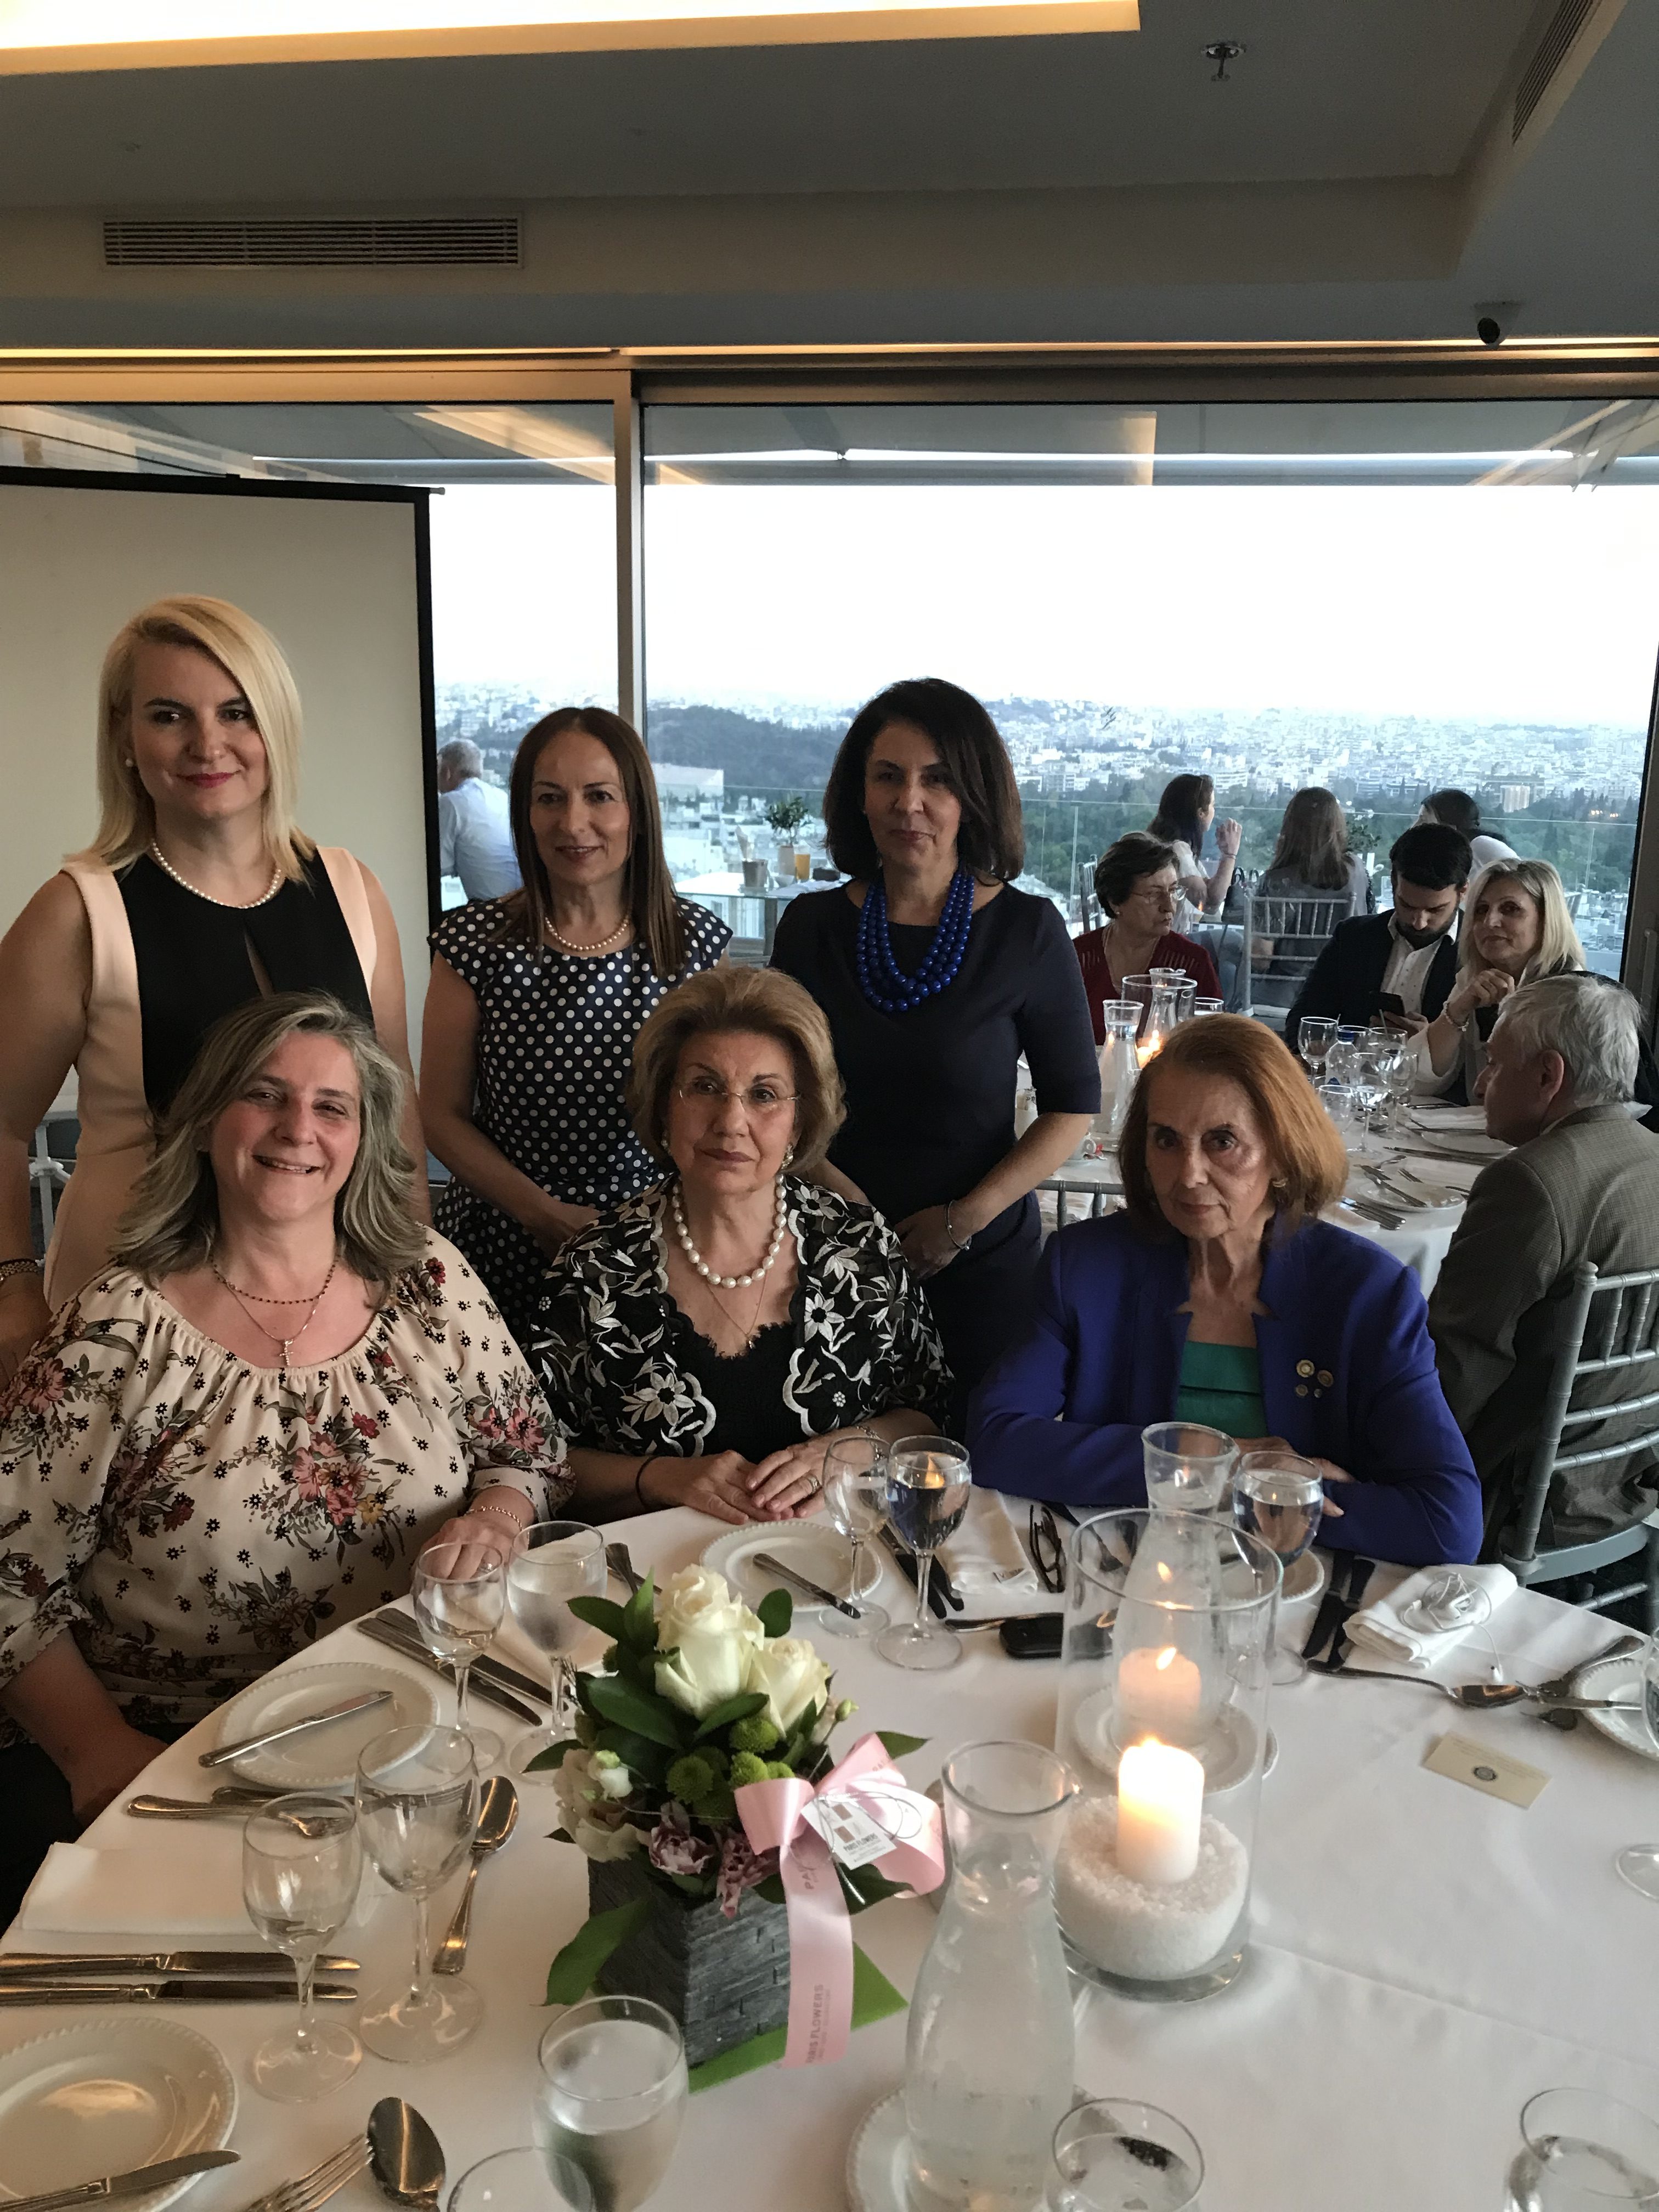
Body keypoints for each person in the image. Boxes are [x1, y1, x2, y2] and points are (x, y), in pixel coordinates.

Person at [0, 992, 568, 1921]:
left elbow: (527, 1455)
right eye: (264, 1095)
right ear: (206, 1121)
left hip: (419, 1728)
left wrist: (494, 1518)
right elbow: (8, 1576)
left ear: (363, 1138)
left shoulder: (427, 1276)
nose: (297, 1128)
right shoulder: (119, 1327)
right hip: (187, 1760)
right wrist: (99, 1753)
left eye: (331, 1107)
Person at [0, 596, 422, 1384]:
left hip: (334, 1314)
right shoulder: (77, 912)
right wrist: (12, 1288)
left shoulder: (353, 890)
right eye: (169, 716)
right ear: (125, 737)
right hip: (133, 1324)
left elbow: (393, 1114)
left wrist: (415, 1274)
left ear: (276, 726)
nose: (207, 744)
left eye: (236, 712)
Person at [968, 1015, 1482, 1566]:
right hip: (1123, 1571)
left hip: (1292, 1585)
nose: (1188, 1173)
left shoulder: (1366, 1292)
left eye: (1222, 1142)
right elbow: (994, 1440)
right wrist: (1223, 1463)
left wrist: (1283, 1498)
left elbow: (1449, 1524)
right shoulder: (1086, 1265)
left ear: (1282, 1149)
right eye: (1166, 1140)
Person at [769, 678, 1098, 1414]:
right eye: (888, 777)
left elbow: (1073, 1106)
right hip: (826, 1251)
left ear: (973, 797)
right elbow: (775, 1096)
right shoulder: (811, 928)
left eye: (937, 780)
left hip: (981, 1264)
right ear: (859, 794)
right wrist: (853, 1211)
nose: (908, 801)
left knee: (974, 1458)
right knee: (827, 1463)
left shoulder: (1028, 931)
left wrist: (962, 1220)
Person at [533, 966, 950, 1524]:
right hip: (659, 1574)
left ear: (798, 1123)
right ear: (663, 1107)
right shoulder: (593, 1267)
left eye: (764, 1095)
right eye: (705, 1087)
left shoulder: (861, 1247)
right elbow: (535, 1460)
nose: (731, 1121)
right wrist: (658, 1477)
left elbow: (929, 1416)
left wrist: (850, 1450)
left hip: (836, 1561)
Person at [421, 708, 730, 1358]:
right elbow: (440, 1116)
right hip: (504, 1245)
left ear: (637, 812)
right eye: (550, 798)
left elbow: (721, 1110)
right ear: (525, 814)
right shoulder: (473, 944)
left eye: (599, 797)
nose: (573, 822)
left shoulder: (697, 947)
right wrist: (543, 1214)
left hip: (658, 1249)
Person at [1429, 974, 1659, 1556]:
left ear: (1547, 1076)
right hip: (1629, 1474)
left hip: (1521, 1498)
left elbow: (1457, 1368)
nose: (1480, 1084)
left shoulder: (1529, 1182)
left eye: (1494, 1064)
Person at [1283, 823, 1471, 1057]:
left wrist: (1432, 1041)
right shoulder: (1354, 937)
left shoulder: (1478, 951)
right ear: (1393, 881)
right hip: (1351, 1074)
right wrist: (1318, 1049)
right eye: (1407, 905)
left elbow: (1483, 1055)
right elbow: (1305, 1016)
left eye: (1435, 910)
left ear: (1463, 892)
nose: (1419, 922)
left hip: (1435, 1081)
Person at [1418, 858, 1585, 1102]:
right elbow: (1418, 1079)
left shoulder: (1573, 993)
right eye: (1481, 910)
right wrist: (1458, 1010)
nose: (1490, 922)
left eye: (1510, 909)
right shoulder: (1472, 979)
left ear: (1546, 918)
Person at [1073, 833, 1221, 1046]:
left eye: (1173, 891)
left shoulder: (1192, 963)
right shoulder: (1077, 958)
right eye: (1153, 894)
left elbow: (1216, 1042)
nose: (1169, 906)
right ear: (1116, 901)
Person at [1258, 787, 1373, 918]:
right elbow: (1365, 914)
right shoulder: (1355, 868)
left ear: (1291, 826)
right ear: (1335, 826)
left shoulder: (1277, 881)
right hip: (1347, 933)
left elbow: (1262, 930)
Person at [1148, 773, 1242, 926]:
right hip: (1167, 937)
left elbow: (1207, 889)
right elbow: (1209, 903)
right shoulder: (1177, 850)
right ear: (1200, 813)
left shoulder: (1165, 843)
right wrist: (1230, 854)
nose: (1214, 811)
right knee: (1234, 938)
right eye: (1212, 805)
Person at [437, 738, 521, 901]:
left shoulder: (451, 802)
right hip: (521, 903)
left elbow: (438, 866)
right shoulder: (501, 797)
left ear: (446, 772)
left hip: (492, 909)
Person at [1419, 789, 1519, 878]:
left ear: (1450, 827)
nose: (1415, 826)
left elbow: (1521, 882)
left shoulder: (1481, 847)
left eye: (1424, 820)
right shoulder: (1450, 858)